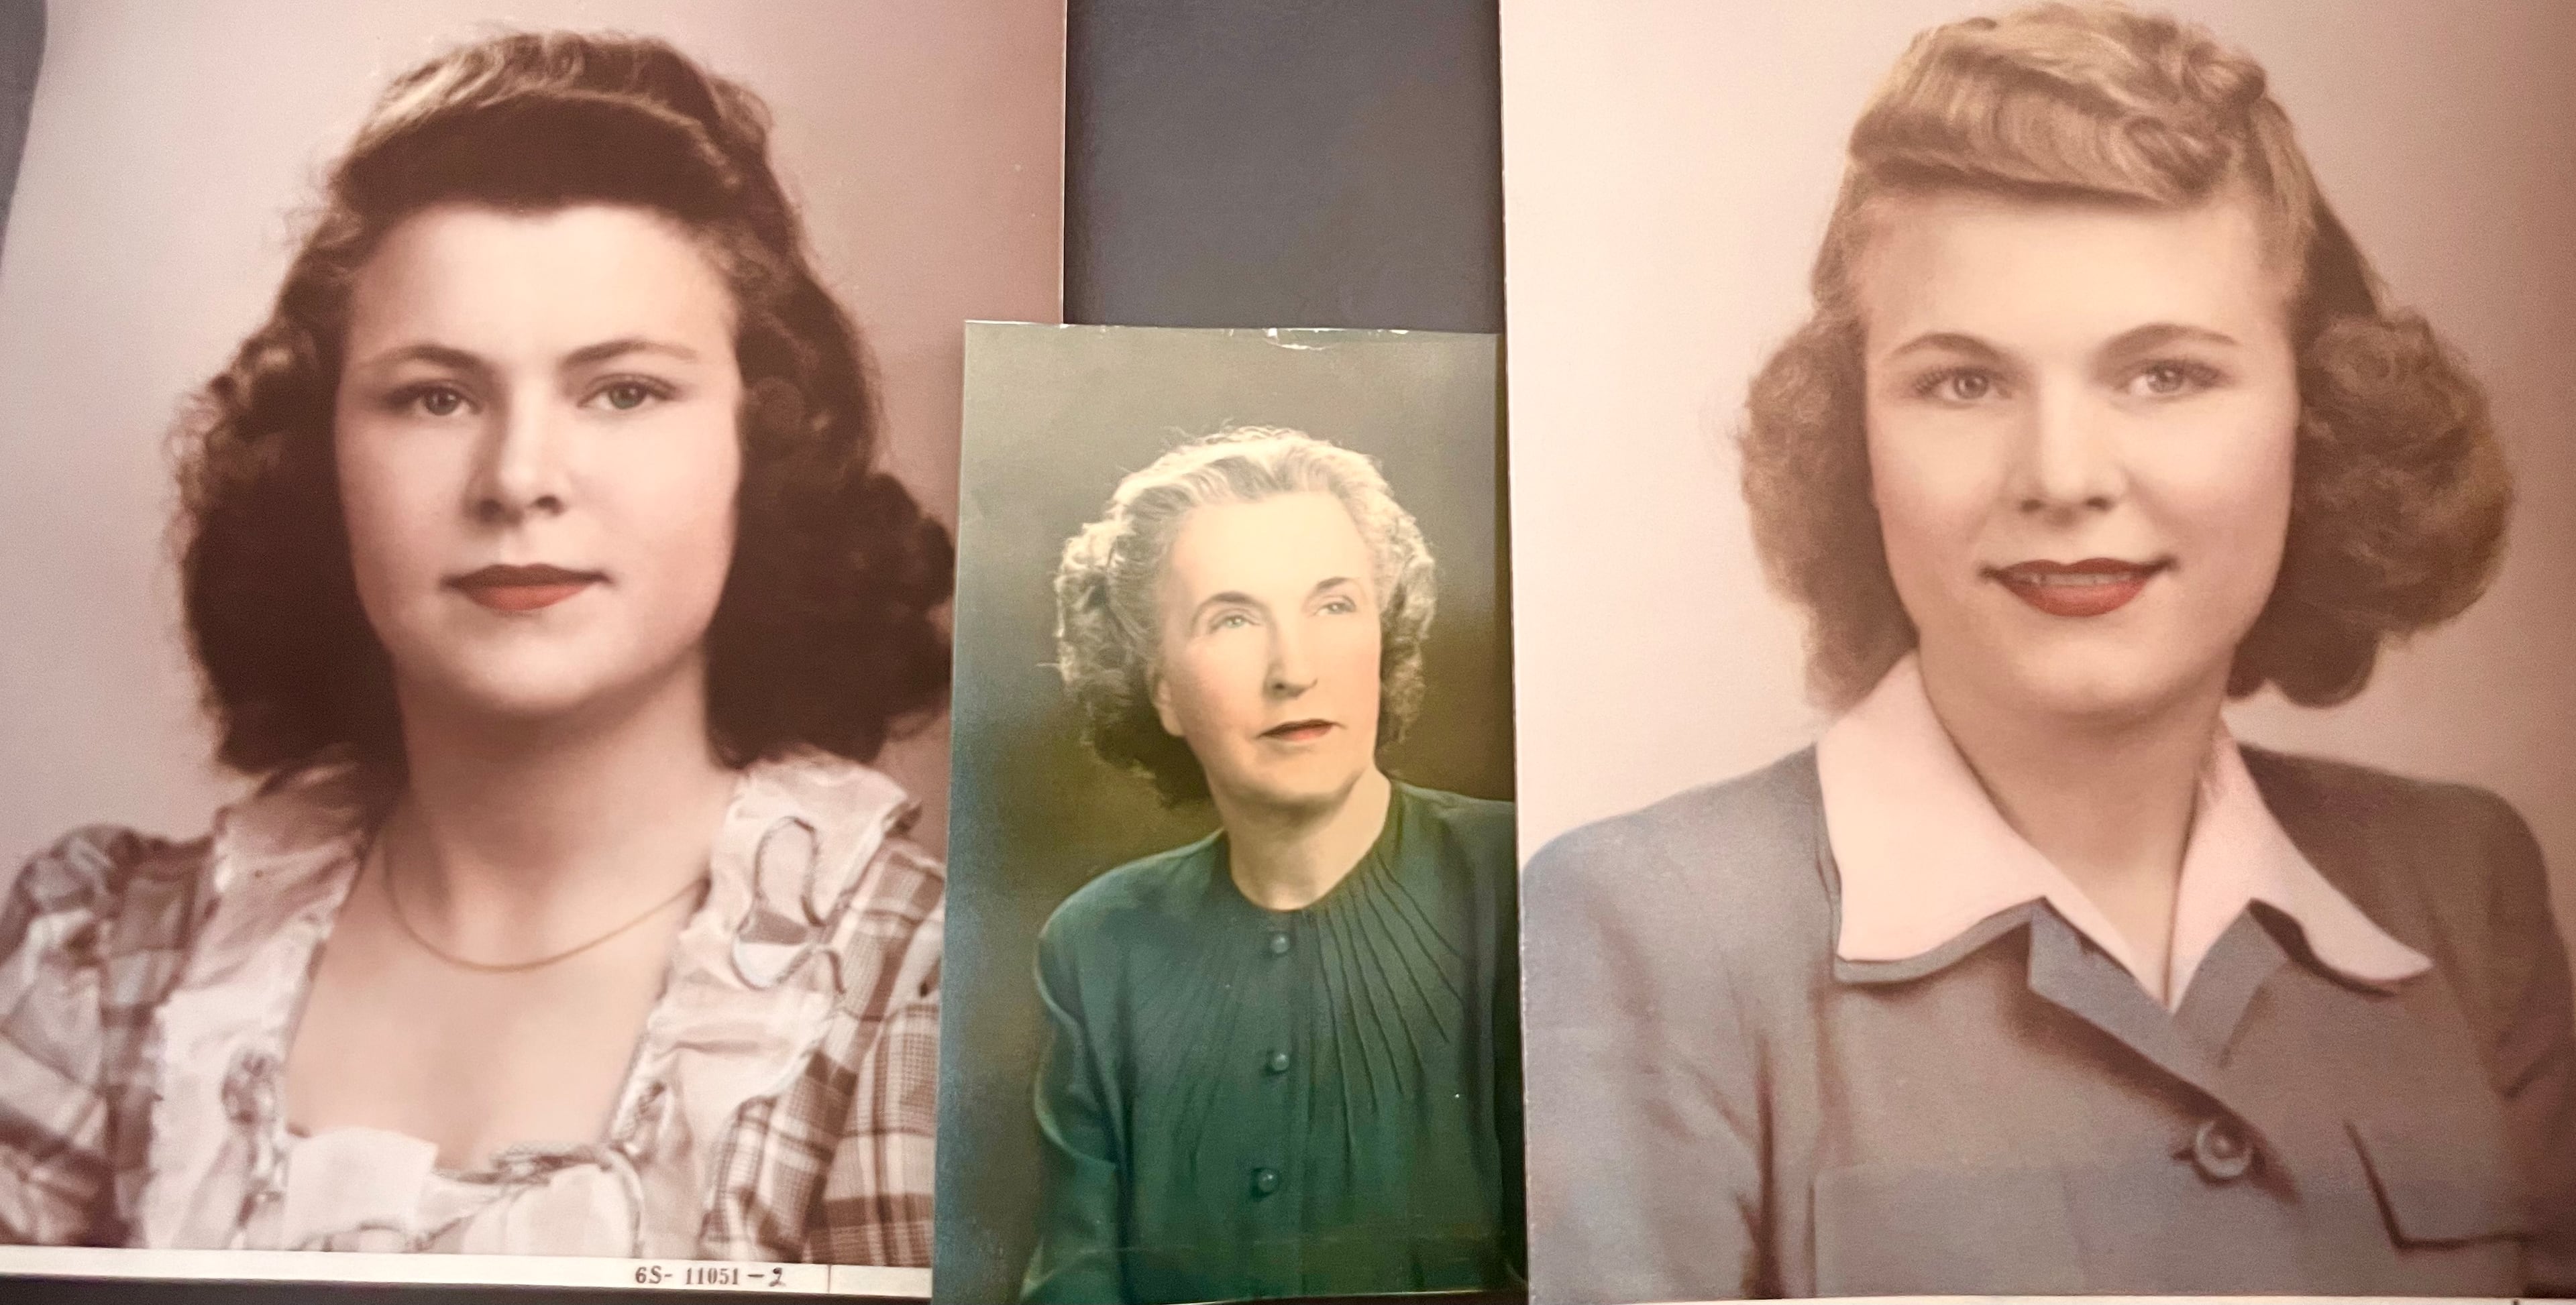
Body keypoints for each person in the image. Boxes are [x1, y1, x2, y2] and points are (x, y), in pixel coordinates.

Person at [1521, 3, 2575, 1301]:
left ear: (2322, 416)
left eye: (2167, 375)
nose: (2063, 477)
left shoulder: (2461, 891)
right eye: (1964, 382)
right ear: (1853, 437)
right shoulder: (1645, 932)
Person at [0, 32, 952, 1263]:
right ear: (321, 459)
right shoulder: (107, 968)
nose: (518, 481)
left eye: (623, 392)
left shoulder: (914, 997)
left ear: (757, 457)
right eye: (434, 396)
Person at [1020, 428, 1521, 1303]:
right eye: (1233, 618)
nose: (1295, 669)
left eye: (1334, 606)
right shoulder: (1099, 945)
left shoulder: (1522, 884)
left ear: (1385, 633)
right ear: (1162, 689)